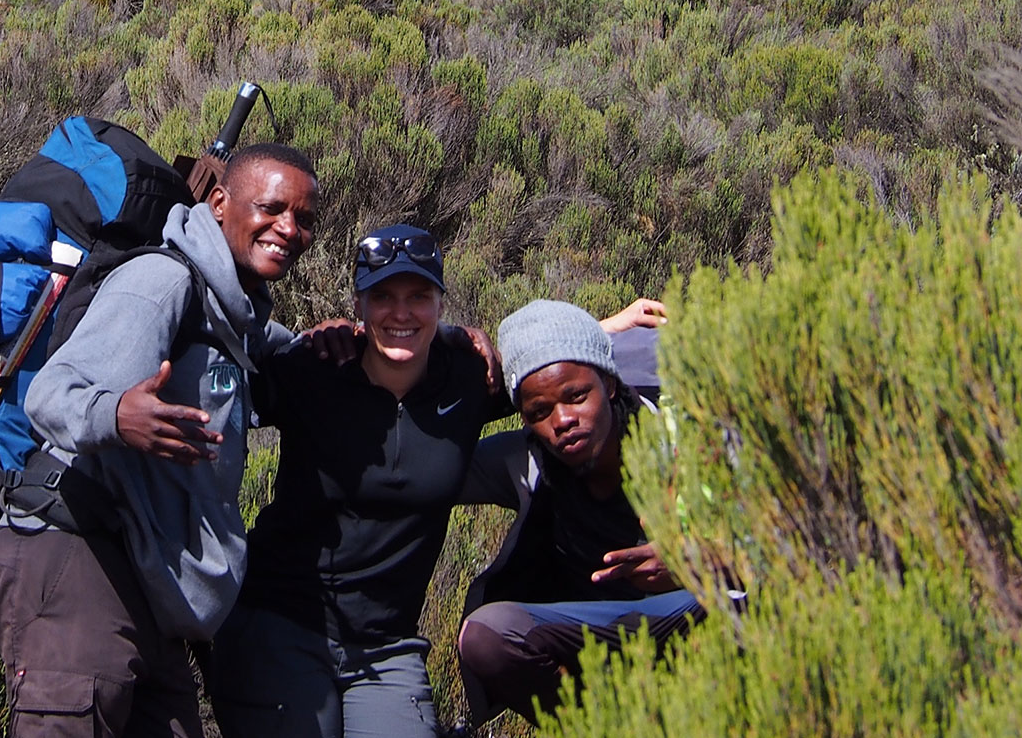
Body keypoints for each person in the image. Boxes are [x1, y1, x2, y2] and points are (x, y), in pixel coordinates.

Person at [0, 142, 321, 738]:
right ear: (219, 204)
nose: (288, 229)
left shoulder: (231, 315)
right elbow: (51, 397)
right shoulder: (161, 284)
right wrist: (117, 416)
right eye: (272, 208)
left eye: (304, 218)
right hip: (79, 556)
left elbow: (289, 353)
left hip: (145, 577)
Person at [205, 224, 507, 738]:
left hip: (387, 645)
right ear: (359, 306)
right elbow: (221, 353)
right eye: (383, 297)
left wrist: (616, 325)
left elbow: (560, 371)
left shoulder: (471, 379)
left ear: (441, 303)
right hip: (280, 624)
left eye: (419, 296)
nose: (402, 313)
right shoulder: (316, 369)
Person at [454, 298, 719, 727]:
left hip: (700, 617)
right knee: (488, 635)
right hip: (595, 634)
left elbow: (787, 542)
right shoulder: (525, 461)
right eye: (539, 411)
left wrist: (699, 560)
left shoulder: (690, 437)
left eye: (577, 396)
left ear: (610, 385)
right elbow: (419, 467)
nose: (563, 421)